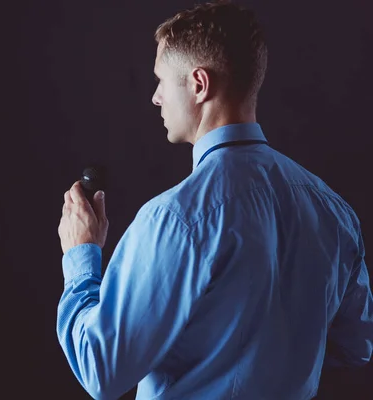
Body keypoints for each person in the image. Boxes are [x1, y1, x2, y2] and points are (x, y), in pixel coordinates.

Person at [56, 0, 373, 399]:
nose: (155, 97)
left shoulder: (175, 220)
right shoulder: (333, 211)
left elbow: (100, 370)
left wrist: (81, 257)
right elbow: (356, 346)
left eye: (161, 81)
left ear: (199, 85)